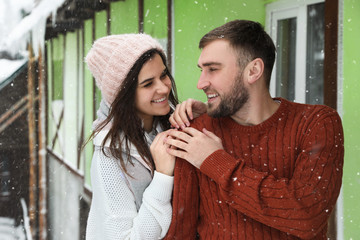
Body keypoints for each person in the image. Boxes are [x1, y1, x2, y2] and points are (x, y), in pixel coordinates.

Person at [163, 20, 344, 239]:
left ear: (254, 71)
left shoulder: (316, 123)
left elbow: (307, 216)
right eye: (202, 70)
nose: (201, 83)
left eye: (212, 69)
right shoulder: (196, 135)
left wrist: (216, 162)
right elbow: (181, 231)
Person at [84, 33, 179, 239]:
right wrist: (162, 177)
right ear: (124, 95)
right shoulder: (109, 157)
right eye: (147, 84)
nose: (163, 87)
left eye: (163, 75)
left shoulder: (169, 123)